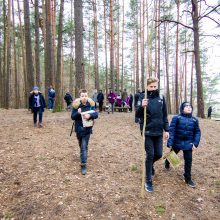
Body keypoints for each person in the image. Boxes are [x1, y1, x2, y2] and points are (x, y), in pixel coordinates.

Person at [135, 77, 169, 193]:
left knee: (158, 154)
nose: (153, 89)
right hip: (147, 131)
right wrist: (141, 106)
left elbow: (164, 115)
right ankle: (148, 180)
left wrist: (167, 129)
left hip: (158, 130)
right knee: (150, 154)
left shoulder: (161, 98)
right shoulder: (142, 97)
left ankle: (149, 166)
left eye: (155, 86)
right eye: (151, 87)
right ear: (147, 87)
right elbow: (137, 114)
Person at [165, 102, 201, 188]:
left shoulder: (195, 120)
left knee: (188, 160)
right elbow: (172, 131)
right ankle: (167, 162)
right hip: (177, 142)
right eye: (186, 106)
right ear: (182, 108)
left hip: (188, 143)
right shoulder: (176, 118)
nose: (189, 108)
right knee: (172, 155)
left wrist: (195, 143)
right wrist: (170, 142)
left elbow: (197, 132)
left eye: (190, 107)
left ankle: (188, 178)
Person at [71, 89, 98, 175]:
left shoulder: (91, 105)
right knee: (81, 145)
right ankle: (83, 154)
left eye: (86, 95)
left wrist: (90, 115)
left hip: (87, 129)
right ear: (80, 97)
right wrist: (78, 113)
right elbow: (72, 117)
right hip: (79, 129)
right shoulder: (76, 106)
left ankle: (83, 164)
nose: (84, 97)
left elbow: (96, 114)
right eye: (82, 96)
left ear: (87, 96)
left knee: (84, 146)